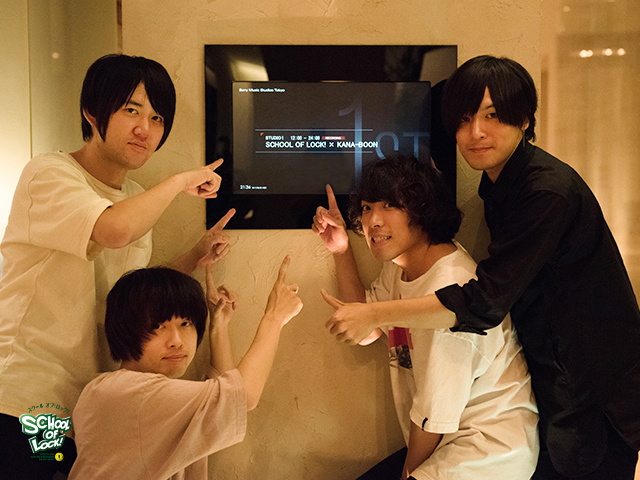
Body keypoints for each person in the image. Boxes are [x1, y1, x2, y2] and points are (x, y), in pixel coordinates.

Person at [321, 56, 640, 479]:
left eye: (492, 115)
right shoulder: (498, 187)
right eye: (464, 118)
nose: (476, 132)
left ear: (524, 119)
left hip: (594, 395)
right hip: (547, 392)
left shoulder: (548, 192)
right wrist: (346, 259)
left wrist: (374, 314)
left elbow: (483, 303)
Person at [0, 54, 233, 479]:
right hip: (32, 398)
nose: (146, 129)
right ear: (92, 112)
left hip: (89, 404)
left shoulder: (135, 198)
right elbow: (114, 230)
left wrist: (192, 257)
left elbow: (127, 298)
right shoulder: (49, 173)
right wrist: (179, 181)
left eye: (157, 117)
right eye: (131, 110)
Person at [312, 155, 538, 479]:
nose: (373, 220)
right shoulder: (402, 265)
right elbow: (367, 330)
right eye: (366, 207)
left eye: (389, 205)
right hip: (445, 439)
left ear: (422, 209)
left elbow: (433, 418)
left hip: (488, 452)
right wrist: (341, 250)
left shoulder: (450, 289)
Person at [68, 256, 302, 479]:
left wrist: (218, 327)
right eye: (158, 326)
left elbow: (222, 404)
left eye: (185, 323)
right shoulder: (130, 393)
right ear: (125, 329)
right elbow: (243, 396)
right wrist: (274, 317)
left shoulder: (119, 389)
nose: (177, 341)